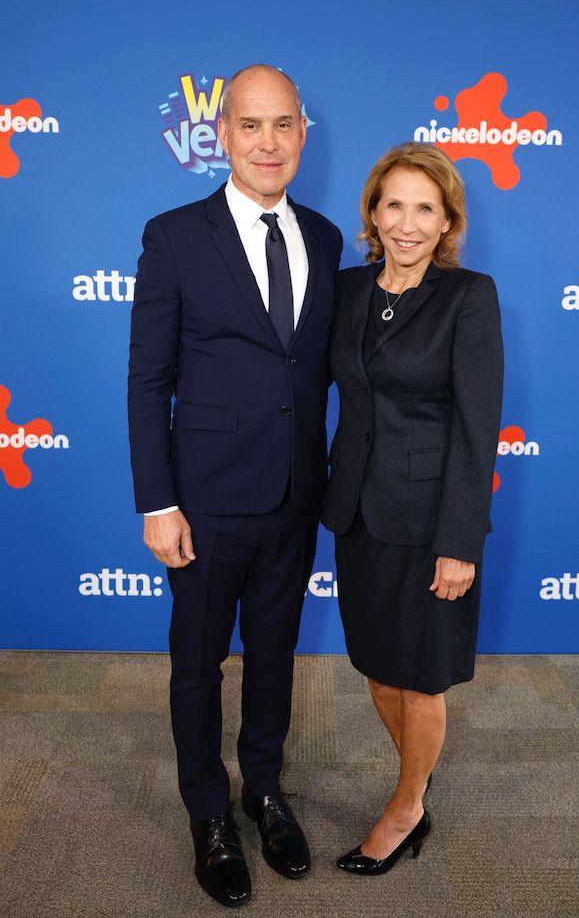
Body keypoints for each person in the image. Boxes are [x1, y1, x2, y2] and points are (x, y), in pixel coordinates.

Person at [127, 64, 342, 907]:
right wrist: (157, 499)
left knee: (277, 657)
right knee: (197, 665)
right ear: (223, 136)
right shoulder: (174, 235)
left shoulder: (324, 239)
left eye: (283, 125)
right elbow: (148, 379)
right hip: (204, 500)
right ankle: (207, 812)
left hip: (294, 494)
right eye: (251, 126)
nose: (268, 142)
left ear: (300, 134)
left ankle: (262, 787)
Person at [322, 142, 503, 875]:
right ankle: (418, 784)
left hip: (432, 523)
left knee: (421, 674)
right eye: (393, 204)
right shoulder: (347, 291)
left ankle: (404, 808)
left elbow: (476, 427)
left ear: (447, 220)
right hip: (359, 516)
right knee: (377, 664)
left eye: (424, 207)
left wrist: (460, 542)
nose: (406, 222)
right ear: (372, 212)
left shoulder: (469, 296)